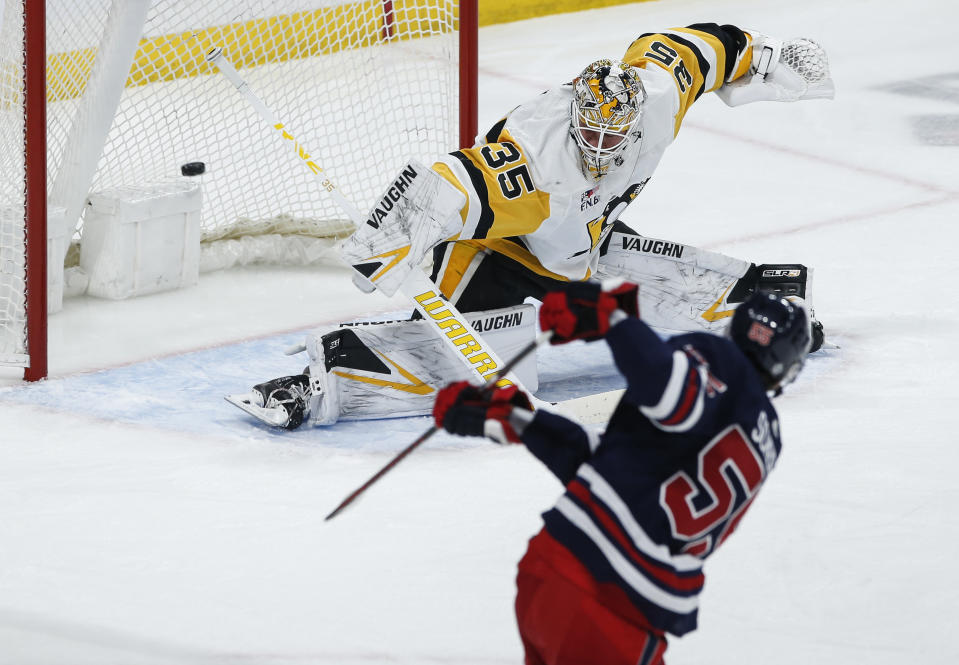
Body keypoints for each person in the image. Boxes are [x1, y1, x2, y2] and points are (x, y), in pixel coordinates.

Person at [230, 23, 831, 429]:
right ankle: (317, 384)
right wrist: (392, 233)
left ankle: (763, 320)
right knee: (468, 364)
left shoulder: (656, 96)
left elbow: (702, 47)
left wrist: (769, 59)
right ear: (574, 118)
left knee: (683, 287)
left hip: (580, 247)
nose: (600, 146)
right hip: (501, 256)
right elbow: (455, 180)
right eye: (590, 133)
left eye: (612, 136)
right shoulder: (536, 156)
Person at [432, 281, 812, 664]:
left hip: (550, 570)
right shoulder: (767, 440)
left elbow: (652, 404)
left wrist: (609, 320)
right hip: (612, 607)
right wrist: (612, 322)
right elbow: (660, 400)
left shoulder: (718, 370)